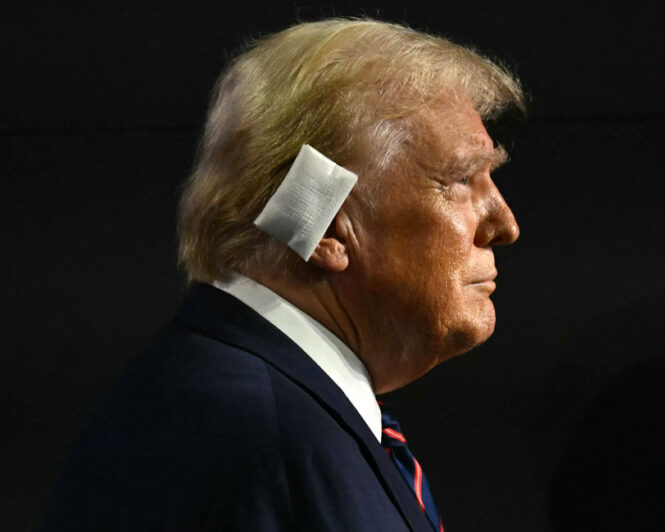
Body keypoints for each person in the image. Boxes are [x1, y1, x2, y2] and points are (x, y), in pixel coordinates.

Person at [42, 18, 523, 531]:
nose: (504, 223)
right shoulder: (273, 448)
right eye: (462, 178)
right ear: (329, 231)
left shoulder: (222, 397)